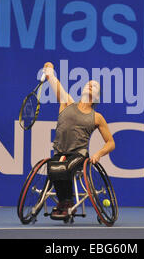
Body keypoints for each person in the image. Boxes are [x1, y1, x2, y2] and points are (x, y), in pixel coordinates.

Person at [42, 62, 115, 219]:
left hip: (79, 155)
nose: (90, 86)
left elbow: (111, 143)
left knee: (64, 168)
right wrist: (49, 70)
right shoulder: (67, 102)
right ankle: (65, 202)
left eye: (94, 86)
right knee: (52, 167)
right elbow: (54, 81)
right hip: (59, 151)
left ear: (97, 96)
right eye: (88, 84)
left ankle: (66, 203)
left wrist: (99, 154)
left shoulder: (97, 117)